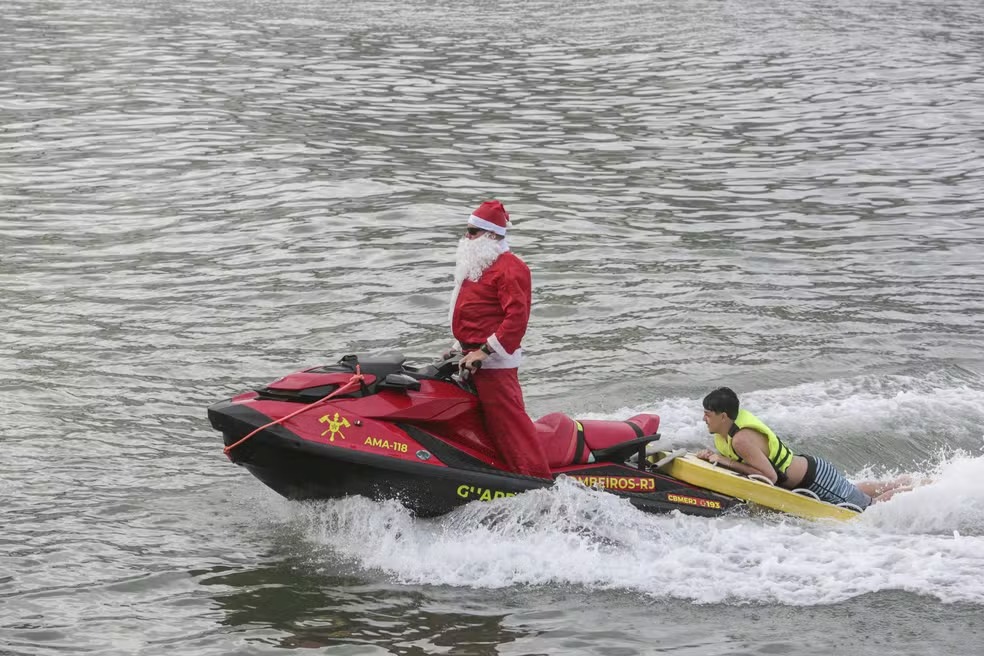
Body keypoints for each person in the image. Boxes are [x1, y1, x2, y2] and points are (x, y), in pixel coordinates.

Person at [448, 200, 552, 480]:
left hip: (494, 364)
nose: (466, 238)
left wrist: (484, 351)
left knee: (510, 427)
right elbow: (477, 313)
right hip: (470, 357)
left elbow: (516, 319)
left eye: (472, 232)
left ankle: (537, 482)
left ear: (491, 235)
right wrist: (459, 347)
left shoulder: (511, 268)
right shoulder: (480, 264)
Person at [696, 387, 911, 509]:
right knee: (853, 491)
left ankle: (917, 491)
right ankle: (903, 482)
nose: (704, 418)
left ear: (724, 417)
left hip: (815, 480)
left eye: (708, 414)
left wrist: (725, 461)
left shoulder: (740, 439)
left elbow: (769, 477)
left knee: (868, 507)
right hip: (811, 469)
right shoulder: (724, 432)